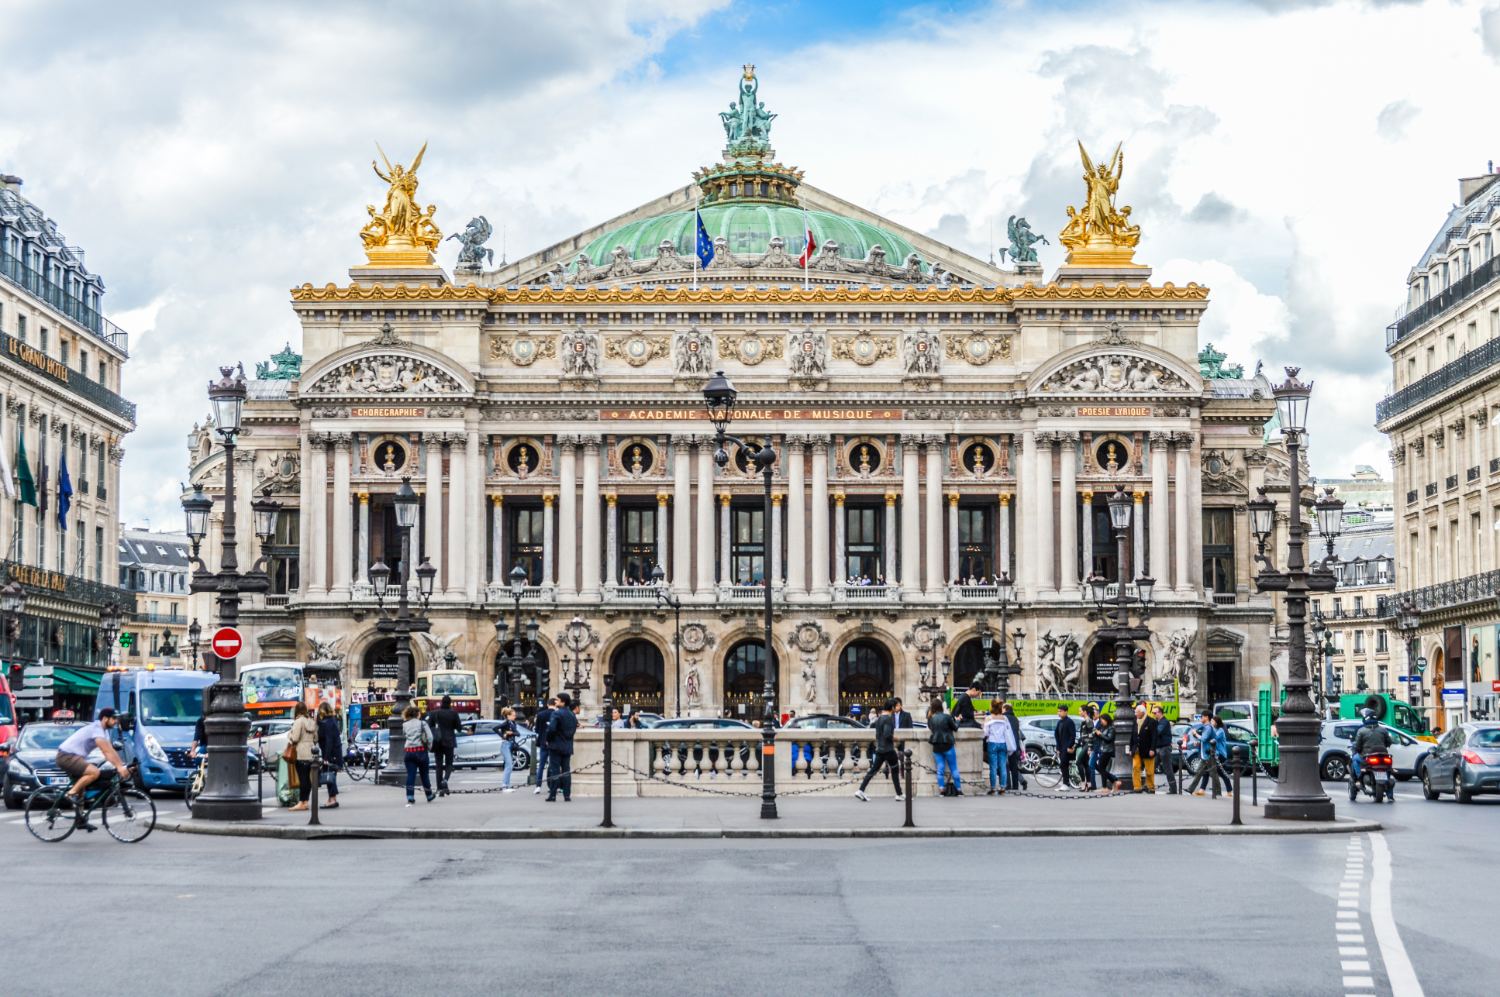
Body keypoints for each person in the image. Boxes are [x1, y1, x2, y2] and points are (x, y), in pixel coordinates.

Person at [55, 708, 133, 824]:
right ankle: (70, 794)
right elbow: (106, 751)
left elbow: (110, 750)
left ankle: (80, 821)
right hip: (66, 756)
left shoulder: (104, 731)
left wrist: (122, 765)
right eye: (114, 718)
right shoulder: (96, 729)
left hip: (75, 757)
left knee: (82, 787)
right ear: (105, 719)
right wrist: (119, 767)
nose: (116, 721)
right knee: (94, 772)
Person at [854, 699, 903, 802]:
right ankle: (899, 794)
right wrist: (895, 738)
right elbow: (887, 734)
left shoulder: (879, 718)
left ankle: (861, 790)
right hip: (888, 750)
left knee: (872, 771)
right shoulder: (888, 719)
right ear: (892, 708)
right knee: (894, 770)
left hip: (880, 749)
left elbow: (878, 734)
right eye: (895, 706)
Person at [424, 694, 462, 797]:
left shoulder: (434, 713)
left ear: (441, 702)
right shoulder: (453, 713)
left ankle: (440, 788)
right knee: (449, 764)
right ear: (450, 703)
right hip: (449, 741)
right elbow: (459, 728)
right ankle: (445, 780)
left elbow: (428, 726)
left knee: (438, 765)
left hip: (437, 741)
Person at [545, 694, 580, 802]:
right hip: (567, 746)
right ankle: (567, 795)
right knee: (566, 771)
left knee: (554, 770)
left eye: (558, 700)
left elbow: (551, 729)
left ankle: (553, 795)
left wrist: (548, 739)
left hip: (556, 746)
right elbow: (574, 729)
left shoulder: (557, 713)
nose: (556, 702)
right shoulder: (572, 715)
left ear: (563, 702)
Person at [400, 704, 437, 806]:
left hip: (409, 752)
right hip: (421, 751)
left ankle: (410, 797)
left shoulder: (405, 724)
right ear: (417, 714)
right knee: (424, 774)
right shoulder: (422, 723)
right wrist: (429, 747)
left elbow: (405, 735)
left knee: (411, 775)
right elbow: (430, 738)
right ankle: (429, 795)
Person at [286, 702, 318, 812]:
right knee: (308, 779)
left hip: (300, 753)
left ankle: (301, 802)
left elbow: (294, 738)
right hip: (311, 752)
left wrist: (289, 734)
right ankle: (306, 801)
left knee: (302, 779)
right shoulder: (311, 721)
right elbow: (316, 738)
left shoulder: (298, 721)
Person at [927, 700, 961, 796]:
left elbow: (931, 728)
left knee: (940, 768)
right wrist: (958, 720)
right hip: (948, 745)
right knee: (953, 768)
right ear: (942, 706)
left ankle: (941, 789)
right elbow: (955, 728)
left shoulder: (931, 719)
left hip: (936, 746)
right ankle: (958, 789)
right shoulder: (947, 717)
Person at [1350, 710, 1392, 784]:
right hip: (1382, 756)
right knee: (1388, 770)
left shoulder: (1361, 731)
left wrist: (1357, 750)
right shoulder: (1383, 730)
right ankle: (1389, 794)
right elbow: (1389, 742)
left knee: (1354, 759)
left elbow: (1357, 746)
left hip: (1366, 757)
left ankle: (1359, 778)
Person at [982, 704, 1016, 795]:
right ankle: (1003, 787)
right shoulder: (1004, 718)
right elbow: (1008, 731)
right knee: (1003, 766)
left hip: (992, 743)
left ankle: (993, 788)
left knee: (993, 767)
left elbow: (985, 733)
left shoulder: (989, 718)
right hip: (1003, 743)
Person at [316, 701, 342, 808]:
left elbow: (328, 741)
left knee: (329, 775)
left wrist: (326, 758)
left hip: (330, 754)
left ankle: (332, 799)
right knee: (331, 776)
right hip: (335, 752)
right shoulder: (332, 721)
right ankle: (332, 798)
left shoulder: (326, 723)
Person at [1129, 703, 1156, 793]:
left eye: (1137, 712)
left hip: (1148, 749)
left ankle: (1151, 787)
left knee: (1149, 770)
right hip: (1136, 748)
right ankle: (1137, 787)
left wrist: (1152, 749)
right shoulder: (1135, 721)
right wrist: (1130, 748)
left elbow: (1154, 737)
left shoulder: (1151, 721)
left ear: (1142, 712)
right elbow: (1132, 735)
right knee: (1135, 767)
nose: (1135, 714)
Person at [532, 697, 556, 794]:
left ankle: (538, 786)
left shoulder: (540, 714)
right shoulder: (556, 714)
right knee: (553, 765)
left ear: (547, 704)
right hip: (553, 742)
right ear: (555, 704)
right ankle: (552, 786)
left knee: (541, 765)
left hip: (543, 742)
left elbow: (537, 729)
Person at [1151, 705, 1177, 794]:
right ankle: (1149, 787)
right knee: (1151, 767)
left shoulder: (1164, 722)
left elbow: (1158, 732)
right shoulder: (1157, 721)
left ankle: (1173, 789)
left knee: (1167, 769)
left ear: (1160, 713)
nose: (1154, 714)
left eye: (1155, 713)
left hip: (1164, 748)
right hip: (1158, 748)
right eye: (1153, 713)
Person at [1001, 702, 1026, 791]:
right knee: (1014, 767)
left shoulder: (1004, 718)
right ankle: (1015, 786)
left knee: (1005, 766)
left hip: (1007, 744)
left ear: (1005, 709)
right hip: (1015, 745)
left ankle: (1008, 785)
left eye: (1002, 709)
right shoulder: (1015, 719)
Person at [1053, 704, 1077, 791]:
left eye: (1060, 711)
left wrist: (1069, 746)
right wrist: (1058, 748)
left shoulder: (1069, 722)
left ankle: (1066, 784)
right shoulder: (1060, 722)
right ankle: (1065, 783)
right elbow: (1057, 734)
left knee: (1064, 764)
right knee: (1063, 765)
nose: (1058, 713)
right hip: (1061, 747)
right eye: (1058, 711)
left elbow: (1072, 735)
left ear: (1066, 712)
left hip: (1066, 748)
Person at [497, 706, 519, 791]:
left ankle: (507, 784)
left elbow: (518, 733)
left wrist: (511, 732)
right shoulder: (506, 723)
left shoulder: (513, 723)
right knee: (509, 765)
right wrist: (502, 735)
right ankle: (504, 785)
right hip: (505, 745)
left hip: (510, 745)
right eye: (513, 715)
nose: (515, 717)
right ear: (508, 716)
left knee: (509, 765)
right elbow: (495, 728)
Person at [1094, 714, 1116, 790]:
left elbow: (1109, 739)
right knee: (1102, 768)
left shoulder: (1111, 728)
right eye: (1100, 720)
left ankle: (1113, 780)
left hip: (1108, 750)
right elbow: (1101, 738)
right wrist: (1096, 733)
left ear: (1107, 719)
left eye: (1102, 720)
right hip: (1103, 749)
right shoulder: (1103, 728)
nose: (1101, 722)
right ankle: (1105, 786)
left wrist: (1100, 734)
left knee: (1100, 767)